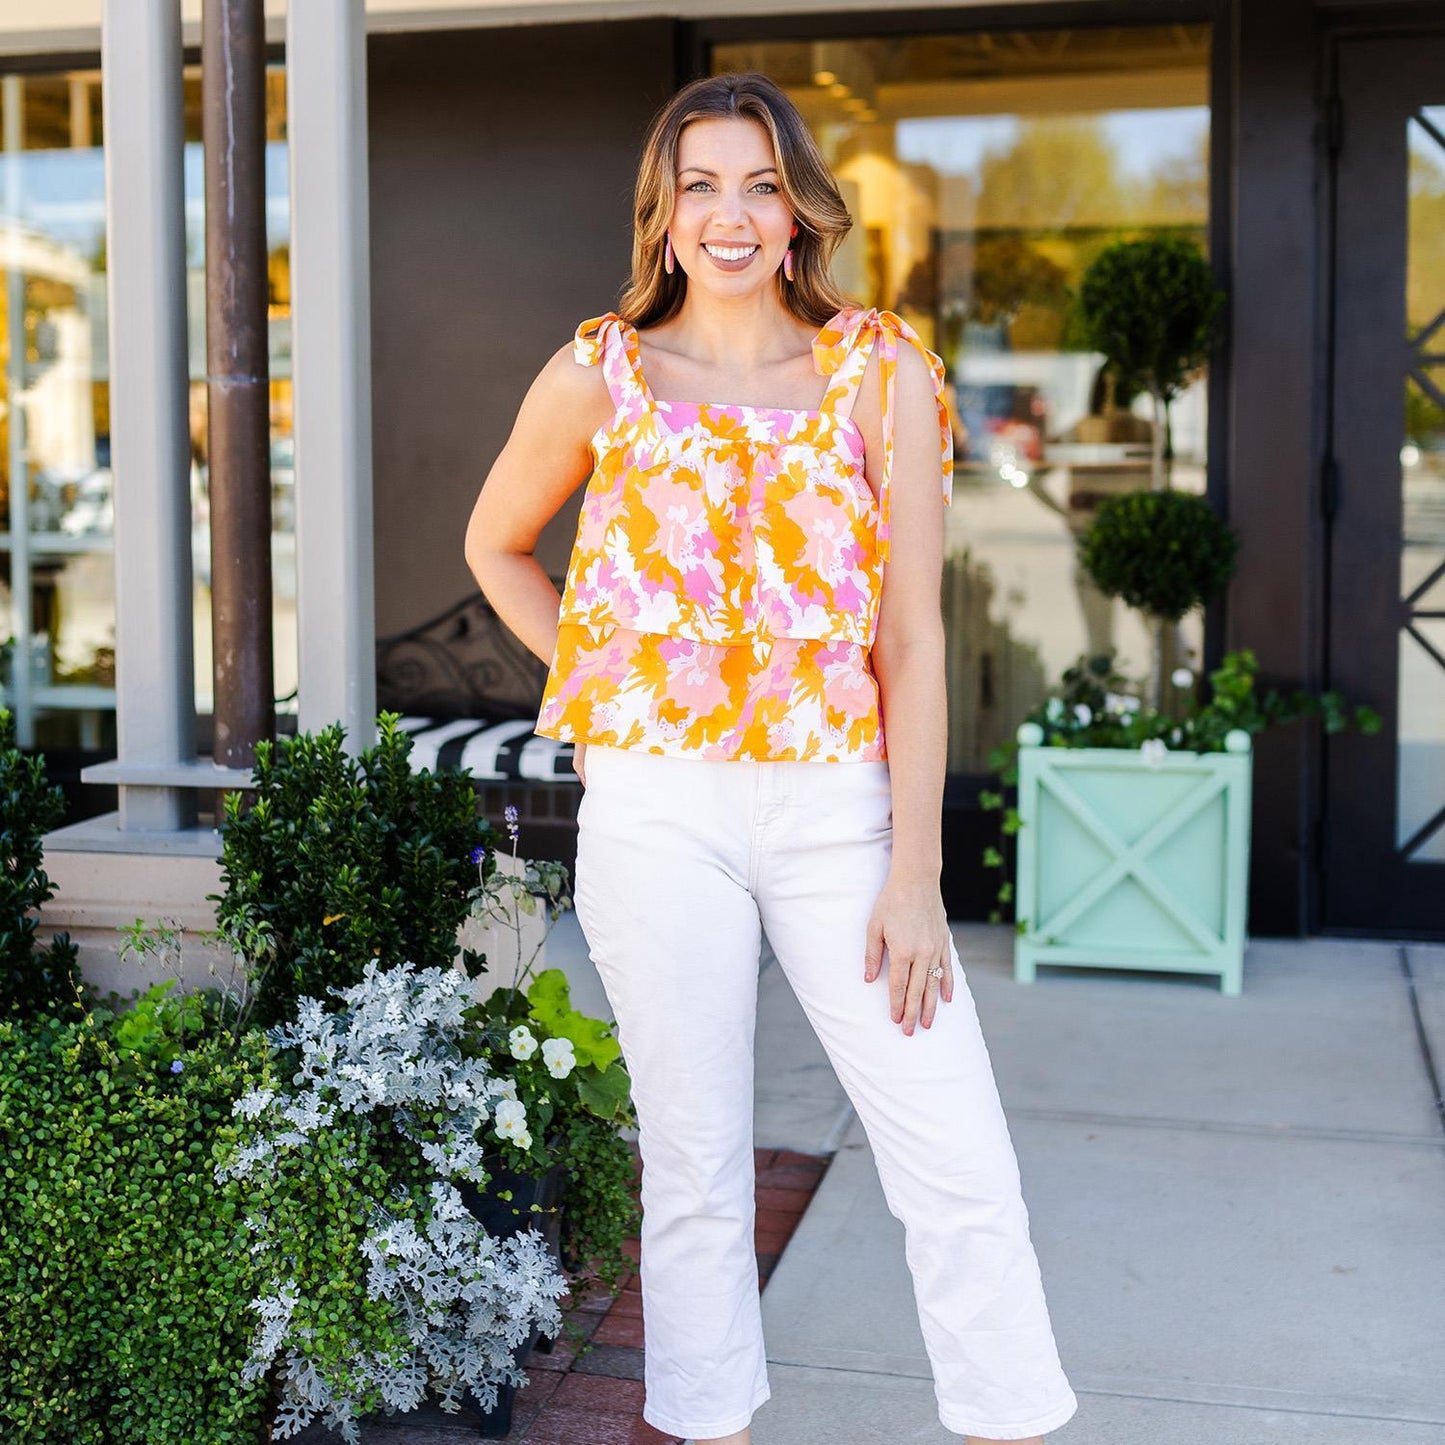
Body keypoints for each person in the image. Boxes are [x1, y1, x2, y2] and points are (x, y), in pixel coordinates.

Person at [464, 71, 1078, 1445]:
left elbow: (912, 636)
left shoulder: (883, 371)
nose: (730, 215)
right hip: (654, 808)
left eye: (758, 184)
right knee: (690, 1164)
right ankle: (705, 1427)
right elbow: (493, 543)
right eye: (700, 186)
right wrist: (596, 677)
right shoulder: (598, 373)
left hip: (837, 809)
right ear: (662, 214)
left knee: (956, 1155)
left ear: (797, 209)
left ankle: (1007, 1420)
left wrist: (913, 870)